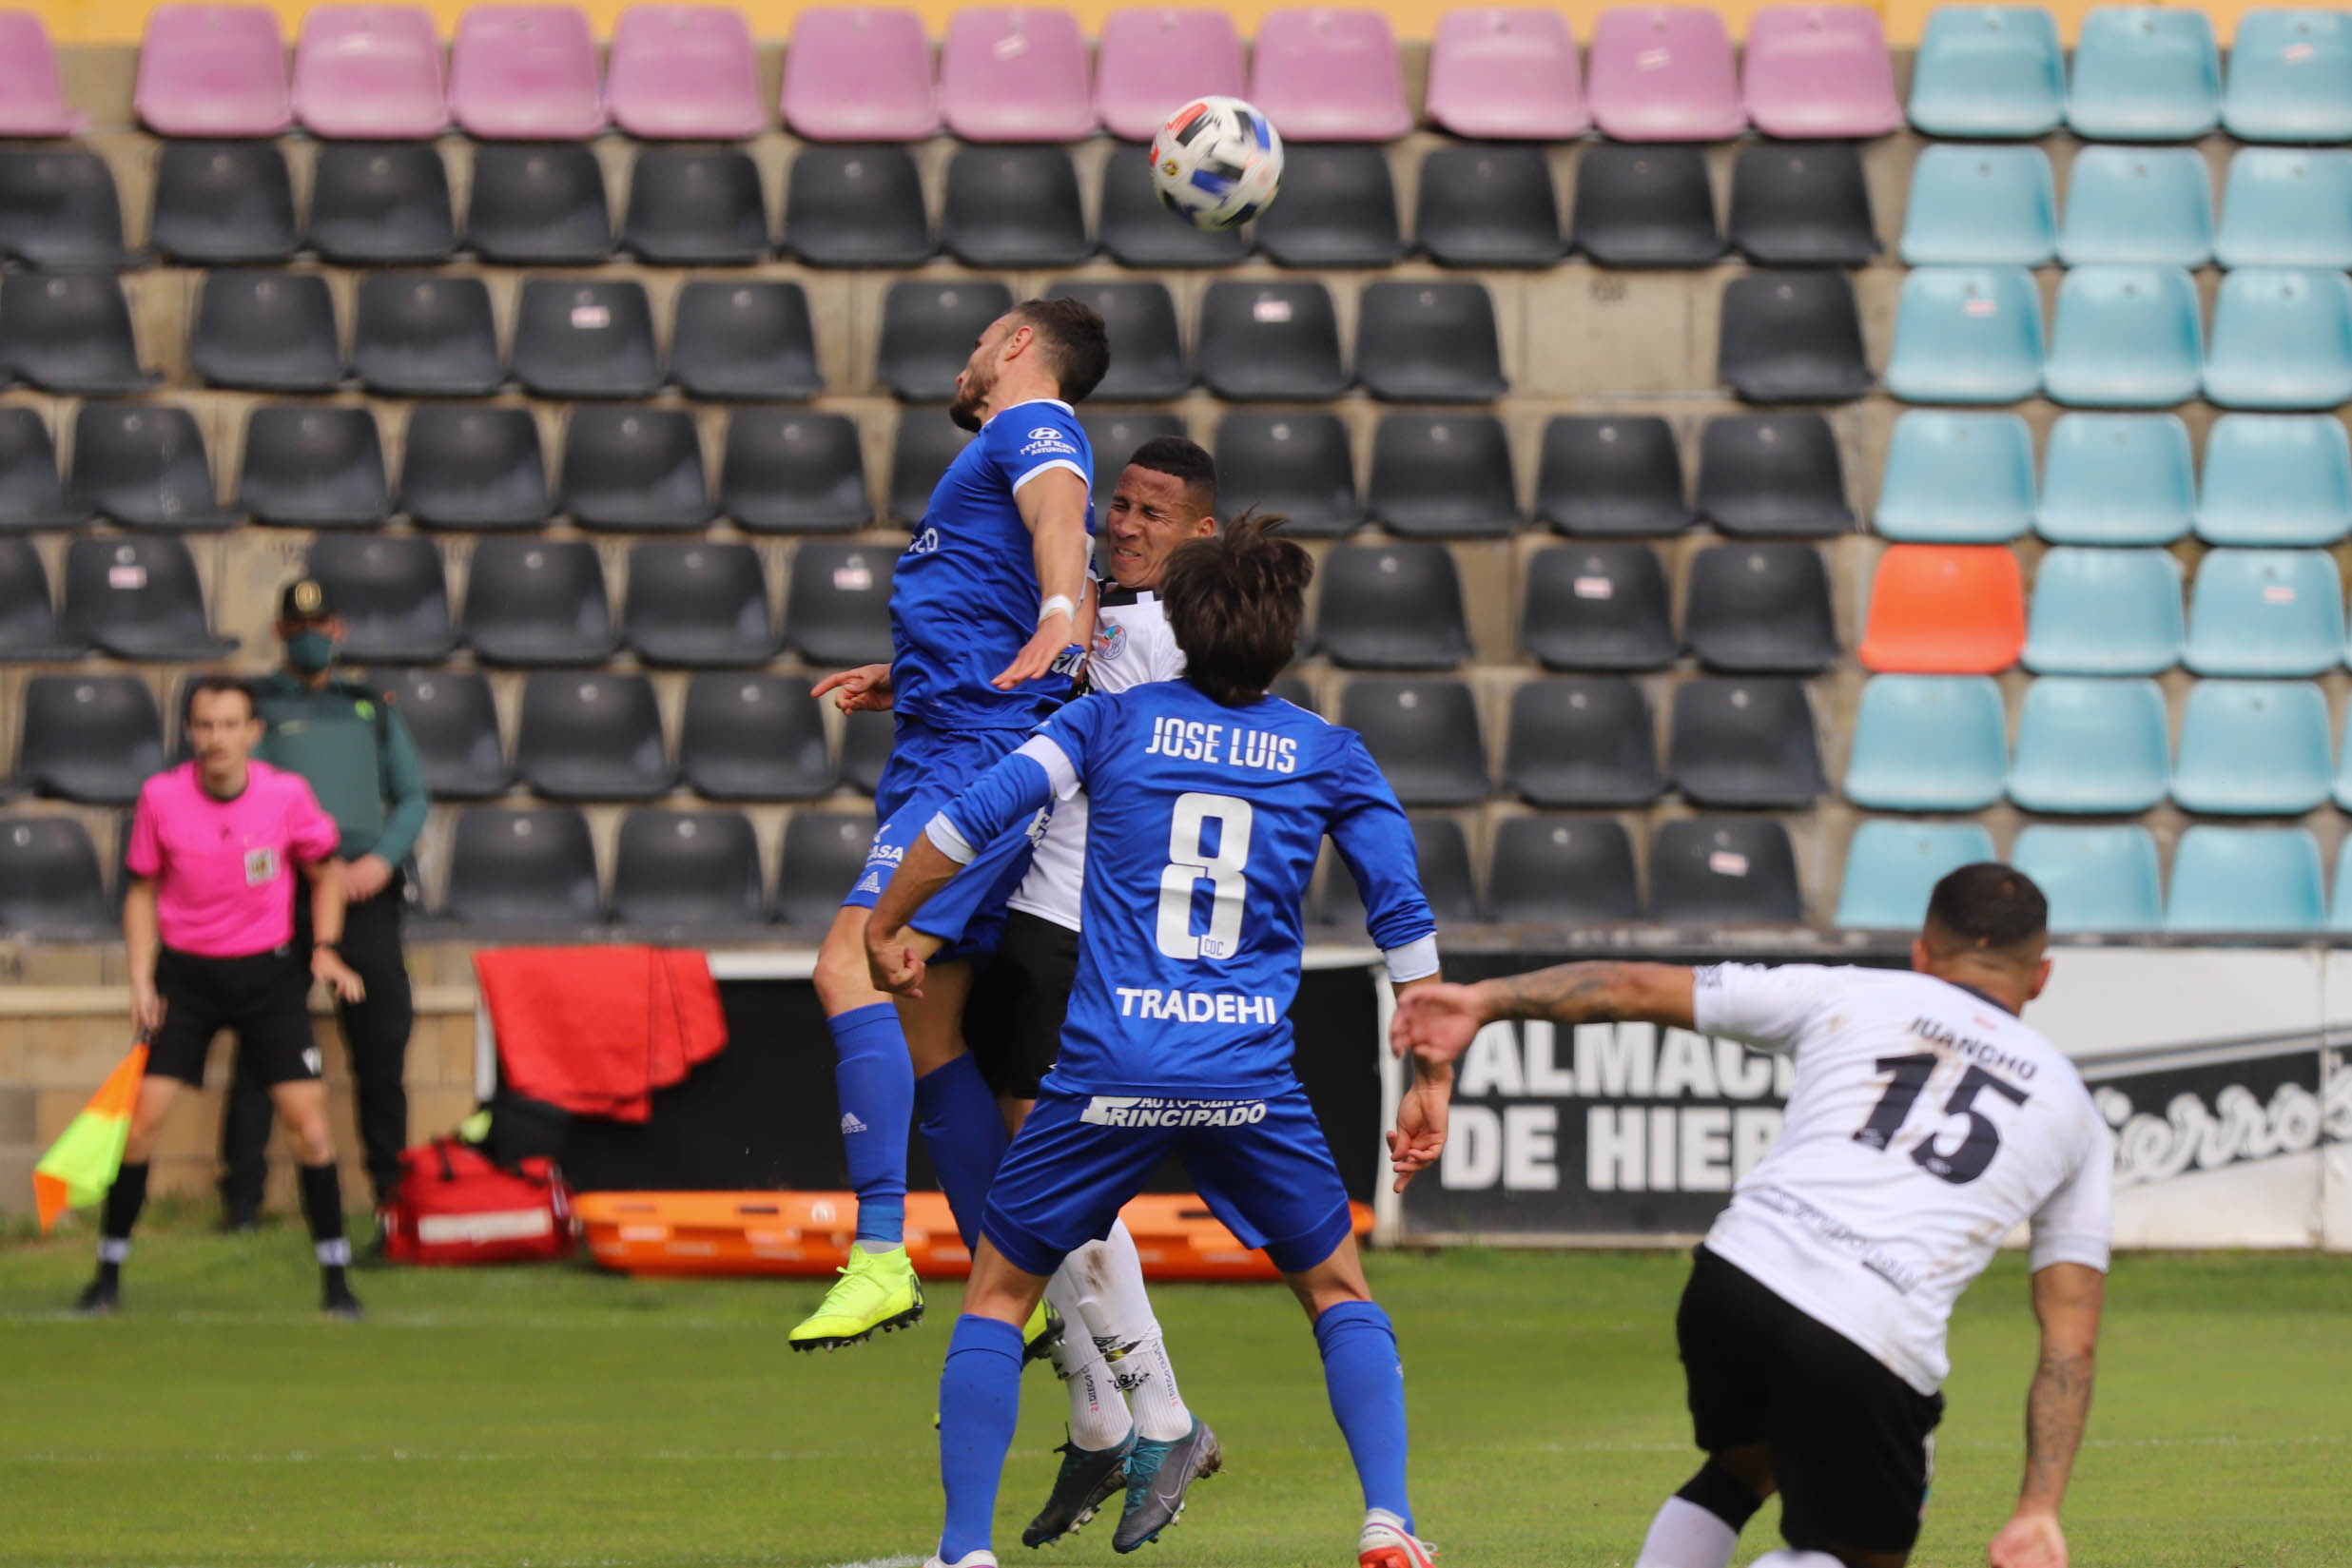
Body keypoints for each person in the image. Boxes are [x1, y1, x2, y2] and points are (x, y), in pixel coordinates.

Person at [865, 515, 1453, 1568]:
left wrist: (887, 920)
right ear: (1283, 640)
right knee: (1337, 1292)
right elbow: (1400, 913)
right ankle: (1389, 1517)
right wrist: (1430, 1074)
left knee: (999, 1293)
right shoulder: (1330, 752)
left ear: (1177, 623)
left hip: (1107, 1069)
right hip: (1247, 1079)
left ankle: (963, 1551)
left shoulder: (1108, 722)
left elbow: (967, 817)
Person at [1391, 864, 2113, 1568]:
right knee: (1859, 1554)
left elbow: (1628, 984)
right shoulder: (2073, 1111)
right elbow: (2068, 1341)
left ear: (1921, 951)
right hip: (1871, 1326)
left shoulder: (1852, 991)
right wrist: (2036, 1509)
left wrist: (1483, 999)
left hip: (1736, 1278)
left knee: (1744, 1466)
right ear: (2040, 975)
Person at [837, 436, 1225, 1550]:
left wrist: (940, 685)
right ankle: (1105, 1412)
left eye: (1157, 512)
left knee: (1050, 1177)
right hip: (1039, 914)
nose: (1127, 523)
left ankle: (1158, 1409)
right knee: (1023, 1173)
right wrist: (914, 681)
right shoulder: (1113, 615)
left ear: (1201, 532)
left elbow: (1053, 701)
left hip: (1093, 931)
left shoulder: (1154, 638)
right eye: (1123, 505)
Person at [790, 296, 1108, 1354]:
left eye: (982, 338)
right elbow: (1007, 574)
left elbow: (1060, 520)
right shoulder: (1006, 450)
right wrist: (912, 673)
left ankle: (881, 1251)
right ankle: (1011, 1299)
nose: (969, 357)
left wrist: (1061, 612)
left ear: (1018, 344)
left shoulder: (1035, 423)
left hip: (971, 751)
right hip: (945, 727)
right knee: (927, 1025)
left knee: (850, 963)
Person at [76, 677, 370, 1320]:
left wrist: (324, 946)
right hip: (187, 978)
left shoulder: (286, 795)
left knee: (311, 1129)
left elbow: (326, 874)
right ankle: (107, 1275)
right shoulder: (161, 796)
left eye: (230, 724)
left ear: (253, 732)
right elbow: (141, 892)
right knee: (142, 1123)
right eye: (205, 726)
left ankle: (337, 1281)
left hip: (268, 976)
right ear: (189, 732)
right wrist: (141, 980)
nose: (217, 739)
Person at [218, 576, 429, 1237]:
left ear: (338, 631)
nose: (308, 638)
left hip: (363, 893)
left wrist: (378, 861)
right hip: (278, 894)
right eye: (294, 629)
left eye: (320, 625)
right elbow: (230, 793)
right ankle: (242, 1202)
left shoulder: (368, 708)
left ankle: (390, 1194)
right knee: (258, 1048)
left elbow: (412, 796)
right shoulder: (253, 710)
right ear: (279, 635)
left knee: (379, 1045)